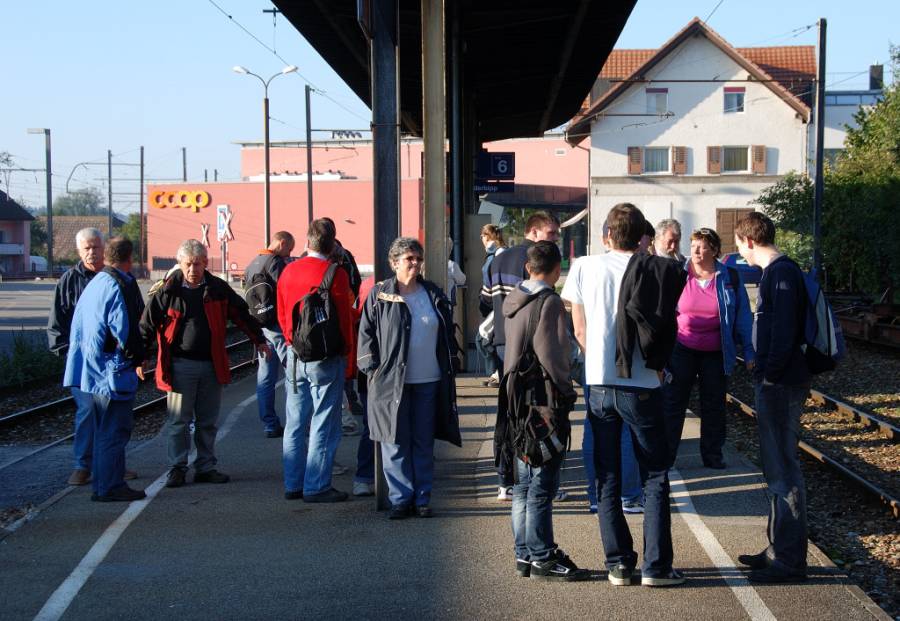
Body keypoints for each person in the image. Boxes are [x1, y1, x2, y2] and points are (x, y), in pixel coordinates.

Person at [562, 203, 686, 587]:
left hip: (599, 383)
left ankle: (618, 564)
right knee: (654, 474)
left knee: (607, 474)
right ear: (643, 235)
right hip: (644, 384)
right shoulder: (659, 269)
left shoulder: (584, 266)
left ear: (608, 235)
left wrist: (596, 360)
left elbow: (578, 330)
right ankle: (656, 567)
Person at [140, 239, 269, 489]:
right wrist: (140, 356)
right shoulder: (167, 291)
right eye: (188, 264)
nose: (193, 269)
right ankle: (177, 468)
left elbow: (242, 314)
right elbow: (147, 323)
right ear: (180, 264)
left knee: (207, 421)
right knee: (178, 421)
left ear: (204, 264)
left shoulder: (217, 288)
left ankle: (205, 466)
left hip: (211, 365)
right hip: (179, 366)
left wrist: (259, 340)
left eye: (197, 264)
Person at [496, 241, 587, 581]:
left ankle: (524, 554)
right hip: (542, 404)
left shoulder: (514, 299)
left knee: (522, 484)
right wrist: (566, 390)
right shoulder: (548, 302)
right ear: (555, 269)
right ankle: (543, 556)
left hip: (516, 401)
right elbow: (553, 355)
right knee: (541, 486)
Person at [357, 237, 461, 519]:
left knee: (423, 440)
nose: (415, 263)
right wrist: (372, 368)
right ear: (394, 263)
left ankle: (423, 498)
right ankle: (401, 499)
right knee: (394, 440)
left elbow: (446, 332)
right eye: (408, 259)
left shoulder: (432, 293)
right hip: (391, 382)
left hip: (429, 380)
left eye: (417, 258)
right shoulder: (380, 295)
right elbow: (365, 335)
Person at [733, 212, 810, 584]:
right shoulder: (780, 273)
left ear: (748, 241)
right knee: (777, 469)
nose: (740, 254)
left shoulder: (780, 274)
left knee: (783, 470)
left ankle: (791, 561)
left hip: (780, 386)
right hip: (781, 381)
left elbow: (781, 334)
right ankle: (778, 548)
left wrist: (768, 375)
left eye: (738, 246)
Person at [48, 228, 137, 486]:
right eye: (86, 248)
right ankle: (83, 466)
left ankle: (110, 467)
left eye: (96, 247)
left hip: (111, 364)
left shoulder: (119, 279)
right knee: (90, 410)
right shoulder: (69, 280)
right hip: (86, 363)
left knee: (113, 416)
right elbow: (57, 324)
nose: (91, 252)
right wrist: (68, 355)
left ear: (105, 250)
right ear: (78, 251)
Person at [481, 211, 560, 500]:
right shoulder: (536, 261)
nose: (555, 239)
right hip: (529, 347)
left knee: (507, 410)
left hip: (503, 341)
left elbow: (485, 301)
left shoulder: (498, 258)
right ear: (535, 232)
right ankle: (534, 479)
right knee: (535, 414)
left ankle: (505, 480)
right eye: (551, 233)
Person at [663, 227, 755, 469]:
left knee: (713, 405)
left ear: (714, 250)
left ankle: (713, 455)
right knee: (674, 403)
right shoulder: (678, 274)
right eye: (693, 245)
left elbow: (743, 316)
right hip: (682, 347)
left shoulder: (729, 277)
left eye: (702, 246)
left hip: (716, 351)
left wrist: (748, 351)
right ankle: (667, 456)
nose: (696, 250)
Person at [277, 219, 355, 503]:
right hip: (327, 358)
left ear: (307, 241)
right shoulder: (337, 274)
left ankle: (293, 484)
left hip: (295, 356)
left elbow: (283, 313)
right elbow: (345, 320)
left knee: (295, 422)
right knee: (325, 421)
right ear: (332, 244)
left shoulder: (288, 271)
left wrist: (290, 342)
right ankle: (317, 485)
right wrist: (348, 359)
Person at [63, 237, 146, 502]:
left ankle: (102, 484)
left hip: (89, 369)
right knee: (114, 430)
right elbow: (124, 328)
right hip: (111, 370)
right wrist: (138, 358)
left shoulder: (96, 282)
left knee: (101, 430)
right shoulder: (120, 284)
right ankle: (110, 485)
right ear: (129, 258)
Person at [244, 230, 295, 438]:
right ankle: (296, 422)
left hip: (260, 326)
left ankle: (270, 424)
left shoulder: (252, 264)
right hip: (277, 327)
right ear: (281, 243)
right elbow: (286, 289)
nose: (288, 254)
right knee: (292, 375)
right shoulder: (274, 262)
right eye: (288, 249)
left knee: (265, 377)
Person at [477, 224, 505, 386]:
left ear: (486, 236)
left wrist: (485, 300)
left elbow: (491, 280)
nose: (481, 239)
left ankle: (497, 372)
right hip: (494, 301)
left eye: (482, 236)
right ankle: (496, 373)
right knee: (488, 337)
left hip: (496, 302)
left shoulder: (497, 254)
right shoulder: (495, 253)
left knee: (483, 337)